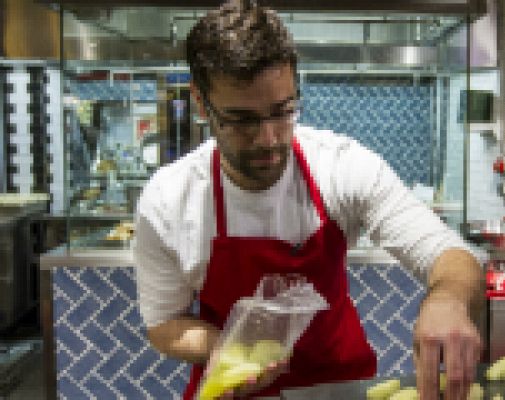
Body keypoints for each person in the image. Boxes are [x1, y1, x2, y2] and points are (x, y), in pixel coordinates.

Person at [134, 1, 484, 399]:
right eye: (242, 120)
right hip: (235, 391)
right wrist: (226, 351)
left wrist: (448, 298)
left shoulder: (340, 166)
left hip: (338, 387)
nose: (268, 139)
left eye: (283, 111)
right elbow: (164, 325)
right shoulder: (168, 201)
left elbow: (450, 254)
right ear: (201, 102)